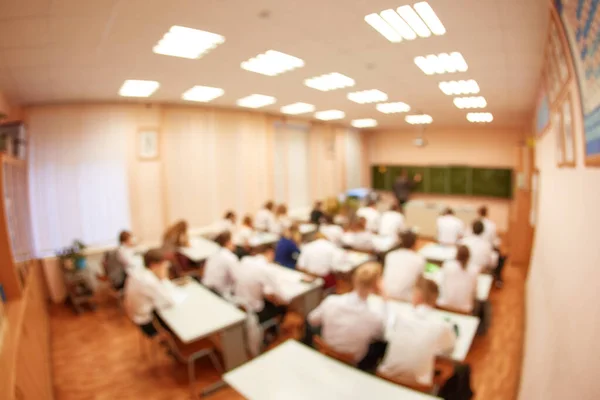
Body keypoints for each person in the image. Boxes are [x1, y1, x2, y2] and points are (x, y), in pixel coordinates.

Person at [304, 262, 388, 371]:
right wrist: (385, 300)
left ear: (353, 279)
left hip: (326, 349)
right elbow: (381, 335)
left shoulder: (331, 301)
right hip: (353, 361)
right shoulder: (375, 317)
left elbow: (312, 319)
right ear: (377, 285)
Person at [378, 278, 456, 386]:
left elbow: (387, 334)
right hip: (418, 385)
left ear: (418, 296)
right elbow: (449, 350)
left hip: (387, 376)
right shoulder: (443, 325)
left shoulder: (400, 316)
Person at [123, 249, 176, 337]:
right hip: (148, 324)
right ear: (154, 265)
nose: (165, 268)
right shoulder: (148, 281)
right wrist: (163, 279)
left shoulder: (137, 273)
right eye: (164, 265)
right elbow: (169, 301)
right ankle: (174, 346)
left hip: (137, 317)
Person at [233, 247, 287, 323]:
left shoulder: (245, 260)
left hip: (238, 304)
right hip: (254, 311)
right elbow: (272, 295)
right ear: (270, 253)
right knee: (284, 307)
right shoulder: (265, 268)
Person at [382, 231, 426, 301]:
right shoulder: (419, 259)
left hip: (386, 294)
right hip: (406, 299)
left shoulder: (391, 255)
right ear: (415, 243)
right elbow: (420, 282)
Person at [438, 245, 478, 313]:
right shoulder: (474, 270)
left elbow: (440, 282)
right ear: (469, 257)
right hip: (464, 309)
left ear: (456, 255)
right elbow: (475, 292)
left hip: (444, 305)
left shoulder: (448, 265)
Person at [202, 231, 238, 297]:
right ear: (228, 242)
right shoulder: (231, 258)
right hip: (219, 293)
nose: (234, 244)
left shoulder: (213, 253)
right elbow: (236, 279)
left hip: (206, 287)